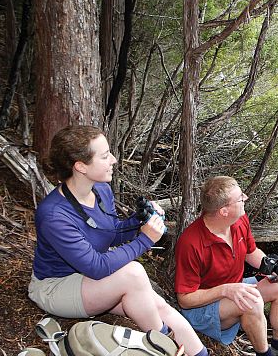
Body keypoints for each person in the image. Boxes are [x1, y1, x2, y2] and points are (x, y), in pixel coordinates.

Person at [28, 125, 208, 356]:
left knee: (159, 305)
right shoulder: (54, 215)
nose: (113, 159)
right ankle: (163, 343)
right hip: (55, 286)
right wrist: (145, 240)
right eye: (104, 156)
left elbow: (111, 233)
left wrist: (140, 222)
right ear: (80, 166)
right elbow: (97, 266)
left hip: (88, 279)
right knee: (133, 274)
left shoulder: (101, 190)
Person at [175, 176, 278, 356]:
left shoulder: (238, 220)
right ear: (224, 211)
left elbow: (250, 252)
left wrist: (270, 266)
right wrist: (225, 290)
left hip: (234, 287)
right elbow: (185, 299)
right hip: (202, 307)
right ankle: (265, 354)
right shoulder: (190, 242)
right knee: (251, 302)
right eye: (240, 199)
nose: (245, 198)